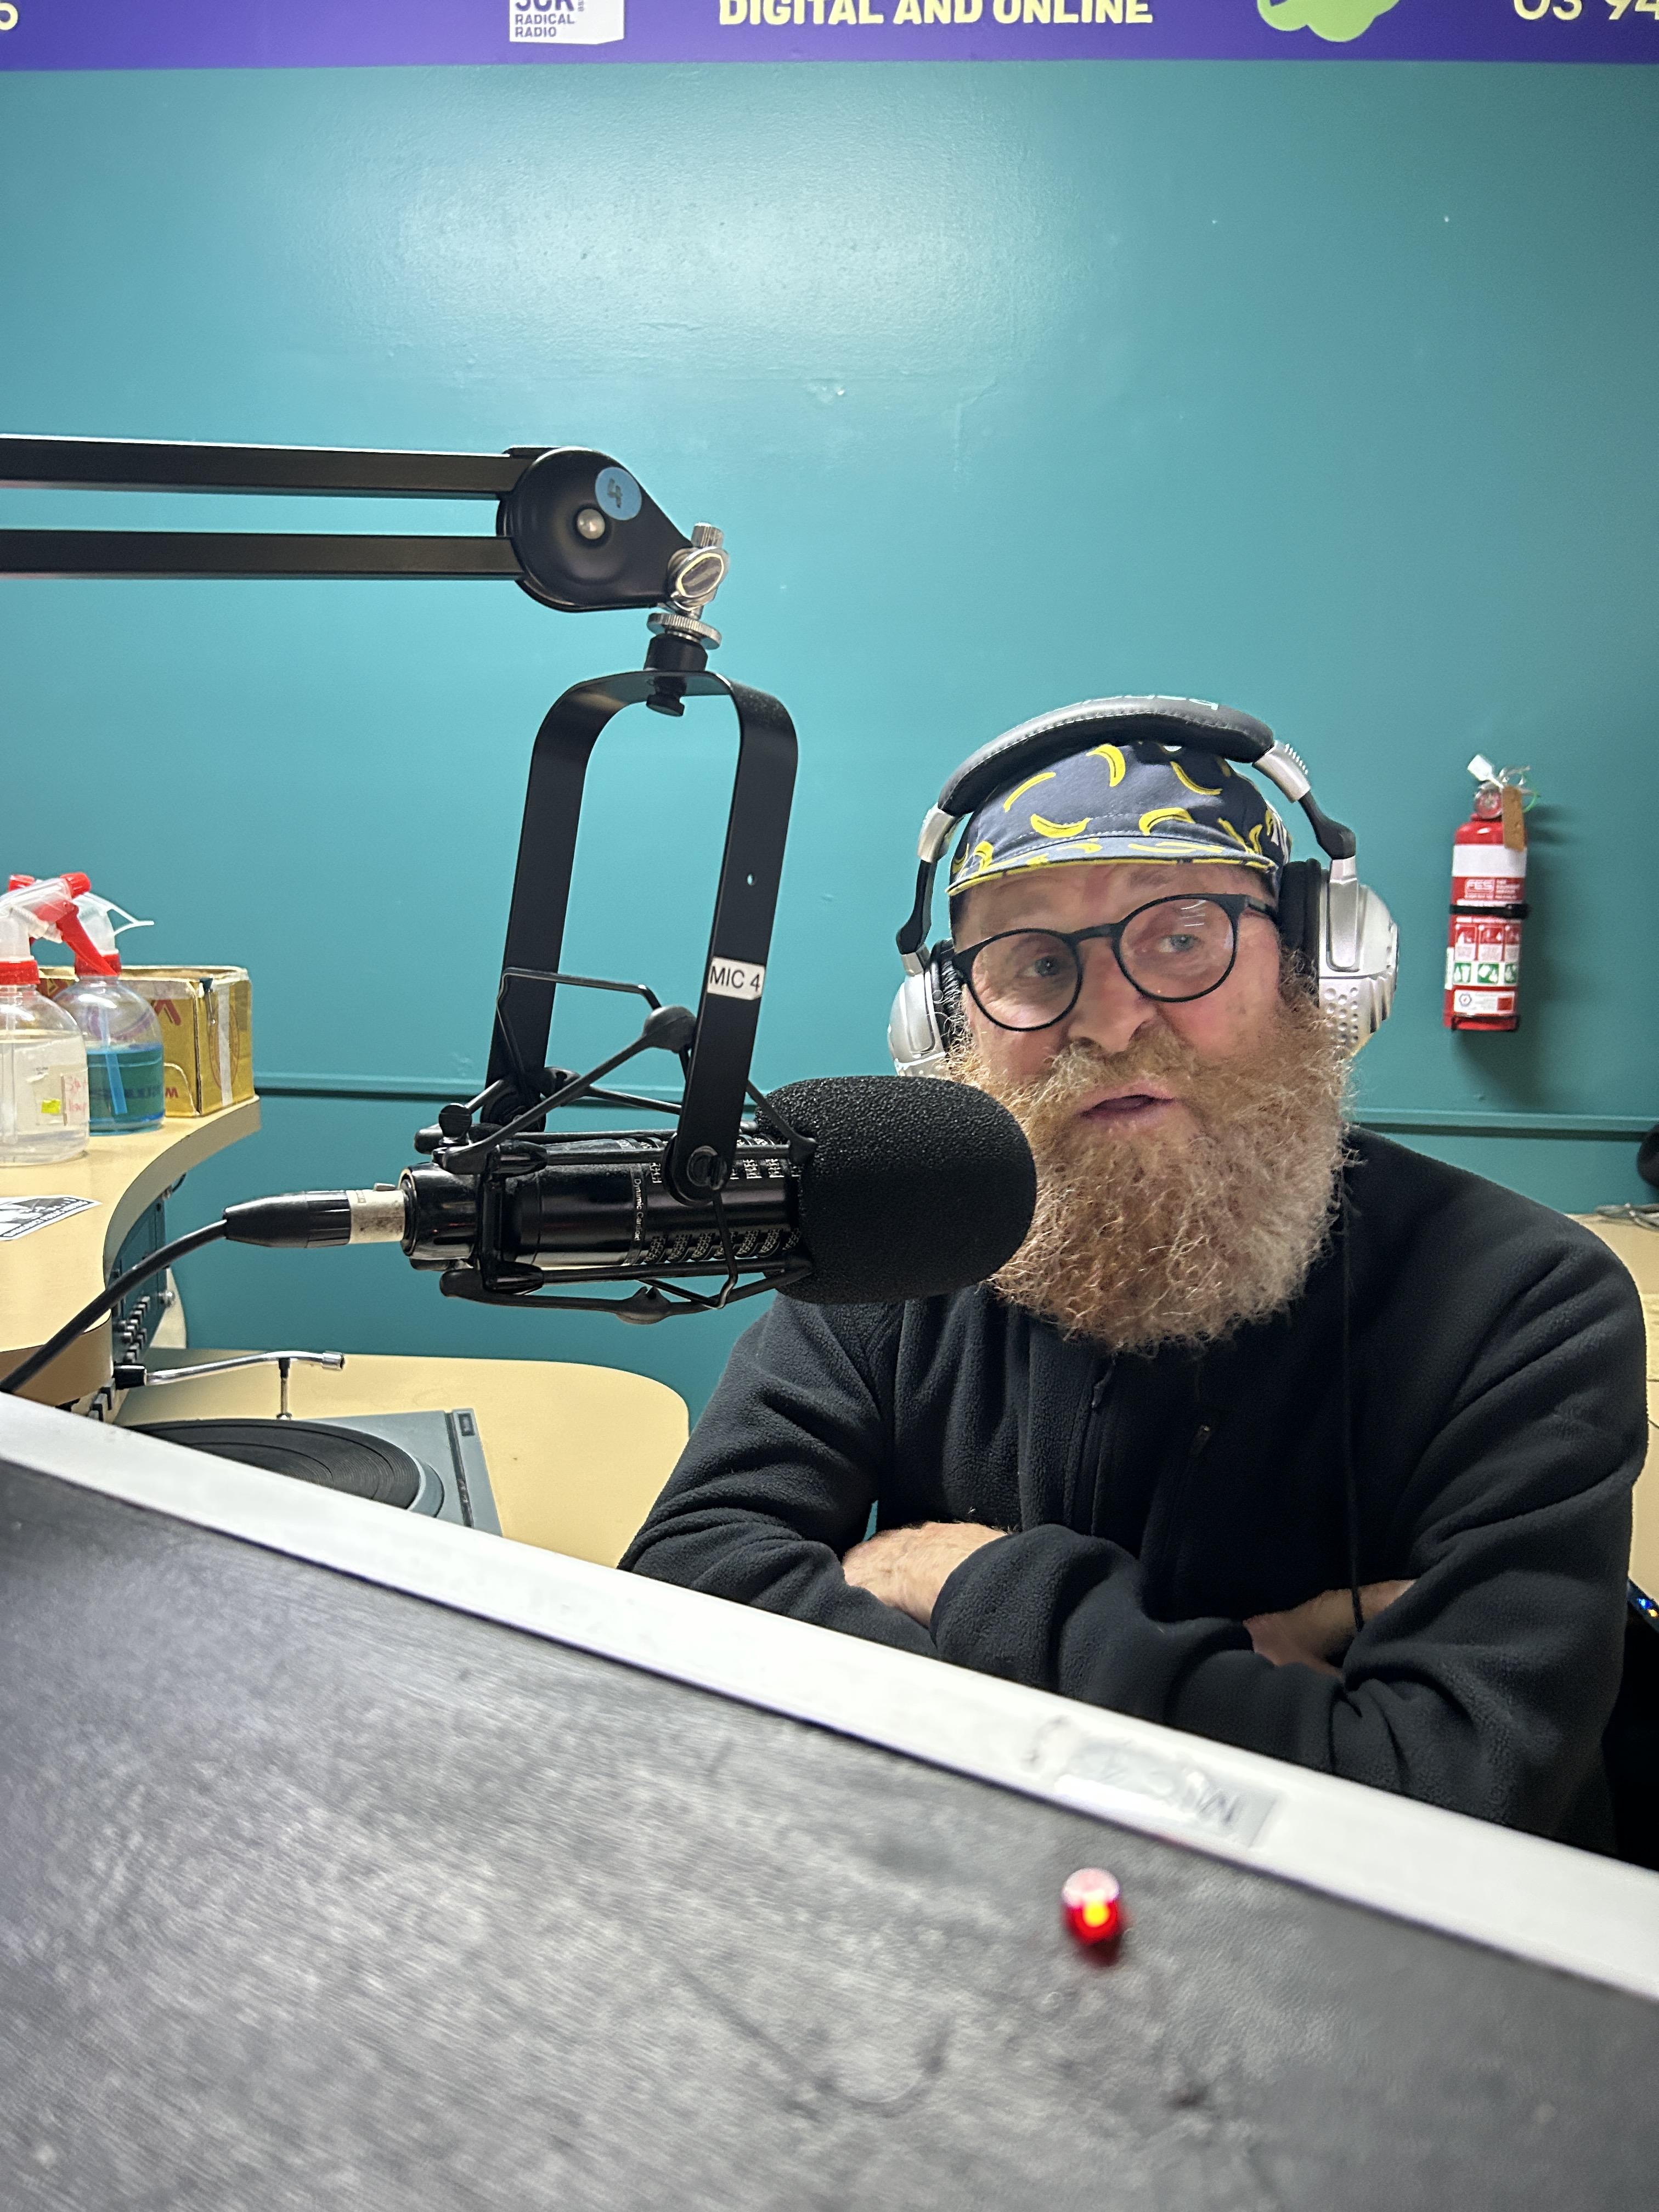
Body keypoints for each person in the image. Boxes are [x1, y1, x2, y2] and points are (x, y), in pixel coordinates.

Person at [622, 718, 1647, 1846]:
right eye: (1035, 963)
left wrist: (959, 1578)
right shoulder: (894, 1245)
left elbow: (1445, 1800)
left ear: (1319, 966)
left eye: (1180, 938)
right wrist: (1239, 1686)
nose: (1109, 1021)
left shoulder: (1527, 1304)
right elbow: (687, 1596)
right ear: (945, 1019)